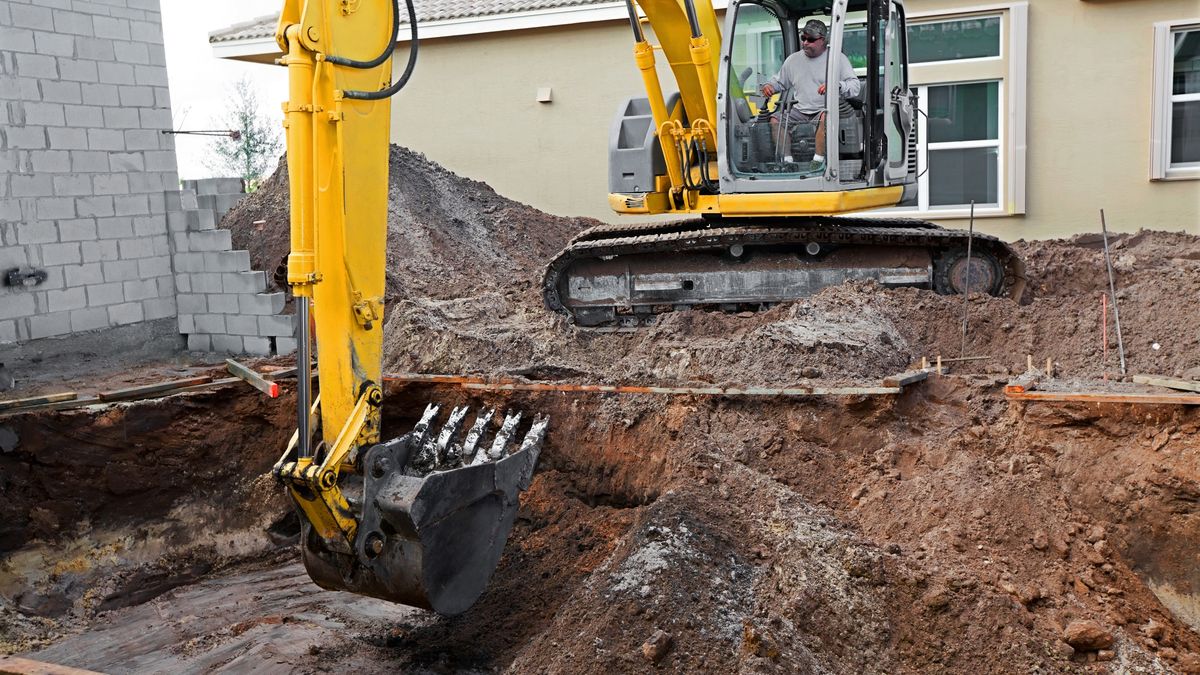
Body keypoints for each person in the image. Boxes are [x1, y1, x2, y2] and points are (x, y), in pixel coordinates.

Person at [761, 19, 861, 173]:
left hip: (825, 108)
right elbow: (780, 82)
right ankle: (787, 163)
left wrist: (836, 85)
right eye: (803, 38)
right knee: (775, 119)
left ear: (823, 40)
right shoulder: (793, 60)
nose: (805, 43)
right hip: (800, 110)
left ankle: (818, 162)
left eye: (811, 40)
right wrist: (770, 87)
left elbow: (855, 87)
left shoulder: (837, 59)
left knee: (825, 116)